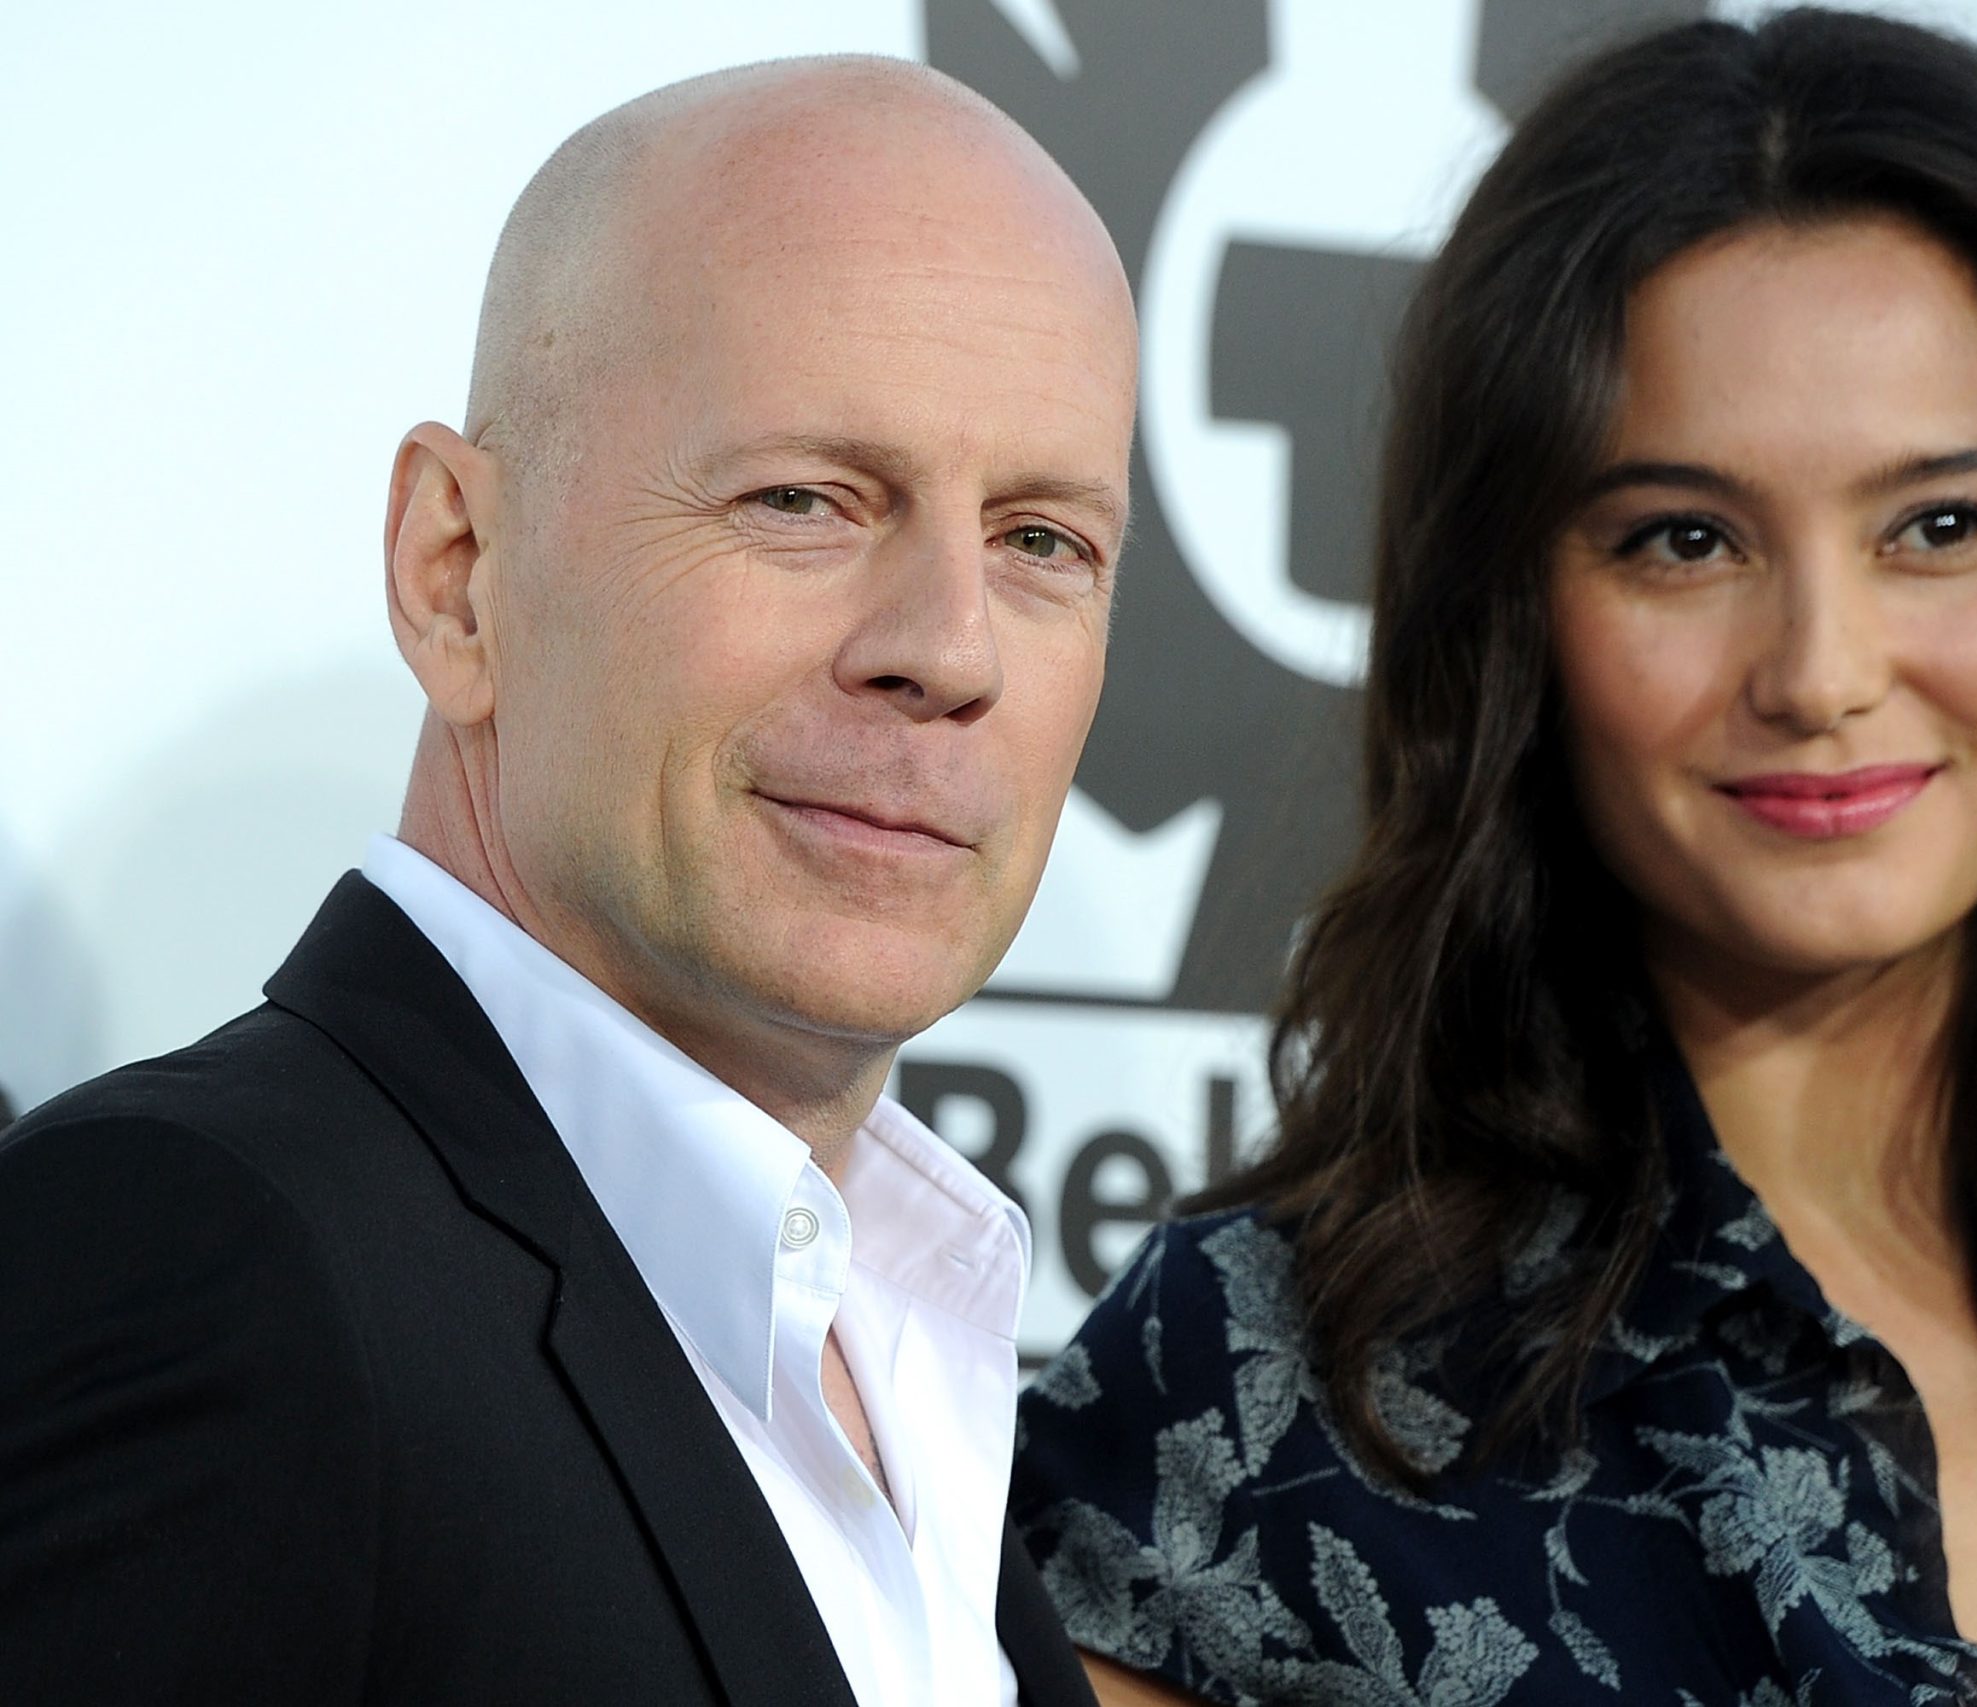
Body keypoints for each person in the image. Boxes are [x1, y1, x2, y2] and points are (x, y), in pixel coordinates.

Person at [1011, 10, 1977, 1706]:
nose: (1820, 673)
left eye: (1944, 525)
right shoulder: (1255, 1395)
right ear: (1514, 618)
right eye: (1684, 540)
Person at [0, 55, 1131, 1707]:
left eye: (1041, 542)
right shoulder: (202, 1256)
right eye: (804, 501)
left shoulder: (906, 1352)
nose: (951, 651)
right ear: (455, 573)